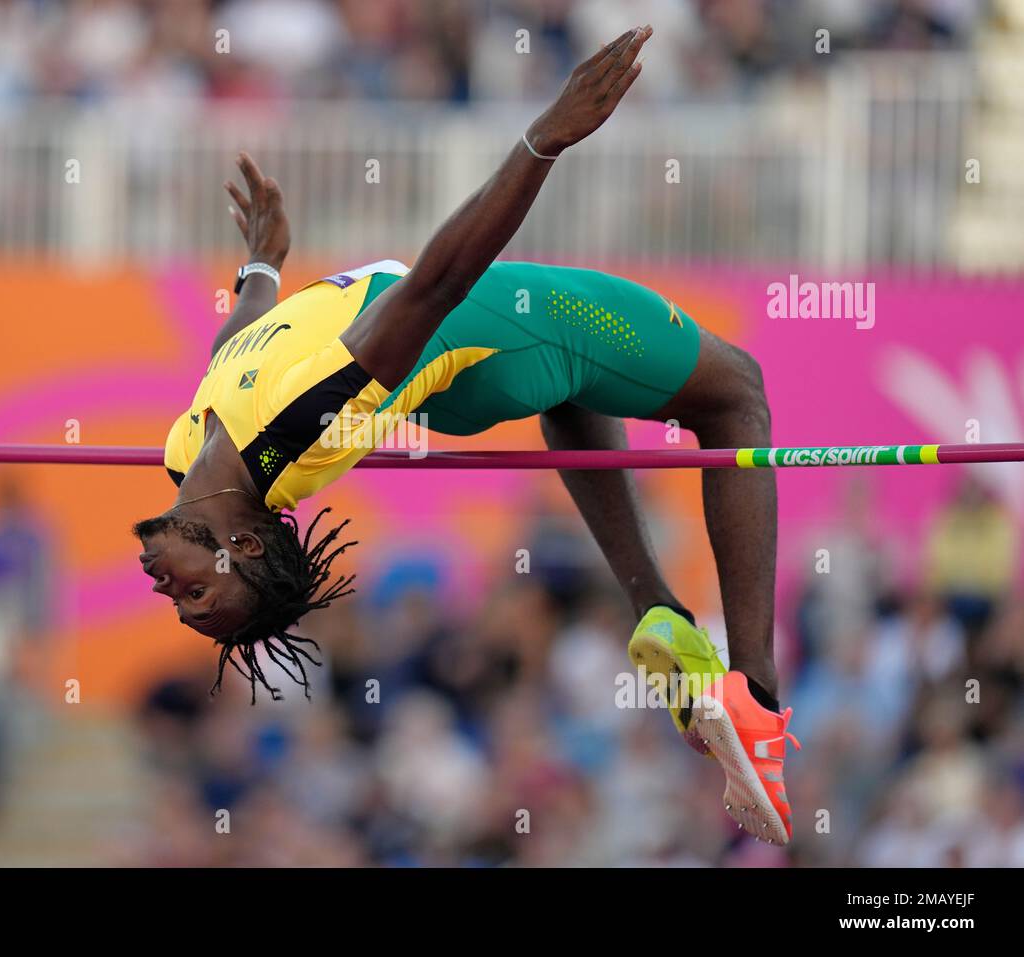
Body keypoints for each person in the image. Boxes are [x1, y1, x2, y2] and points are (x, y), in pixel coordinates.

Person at [136, 26, 799, 844]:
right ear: (245, 541)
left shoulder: (187, 455)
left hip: (461, 377)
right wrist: (544, 136)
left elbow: (228, 354)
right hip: (493, 327)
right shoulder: (301, 428)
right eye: (202, 595)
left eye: (182, 602)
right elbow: (439, 281)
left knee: (574, 387)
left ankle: (658, 608)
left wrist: (263, 266)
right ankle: (758, 700)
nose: (171, 592)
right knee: (736, 396)